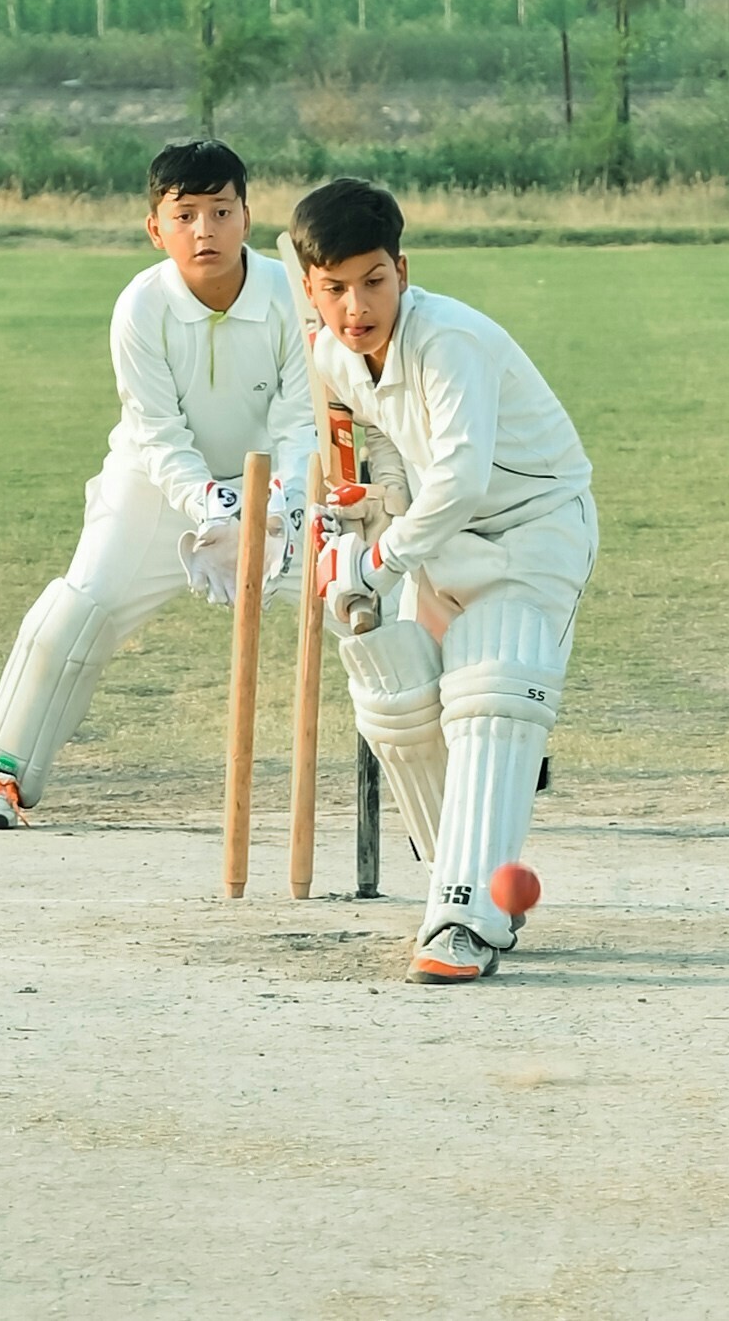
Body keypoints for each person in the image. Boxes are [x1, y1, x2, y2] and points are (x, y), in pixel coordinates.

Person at [288, 176, 595, 985]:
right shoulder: (334, 355)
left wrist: (385, 558)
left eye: (374, 282)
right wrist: (373, 505)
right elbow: (391, 450)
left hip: (529, 534)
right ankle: (471, 872)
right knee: (391, 690)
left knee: (490, 699)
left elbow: (457, 479)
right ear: (312, 288)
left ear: (403, 270)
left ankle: (463, 919)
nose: (357, 306)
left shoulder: (448, 341)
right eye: (335, 289)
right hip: (440, 544)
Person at [0, 139, 311, 830]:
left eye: (219, 211)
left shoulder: (290, 298)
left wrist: (277, 512)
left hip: (275, 491)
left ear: (246, 215)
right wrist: (213, 505)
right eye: (184, 215)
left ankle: (448, 774)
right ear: (156, 228)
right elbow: (156, 433)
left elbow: (300, 423)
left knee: (359, 593)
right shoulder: (140, 307)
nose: (203, 231)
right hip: (155, 486)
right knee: (81, 606)